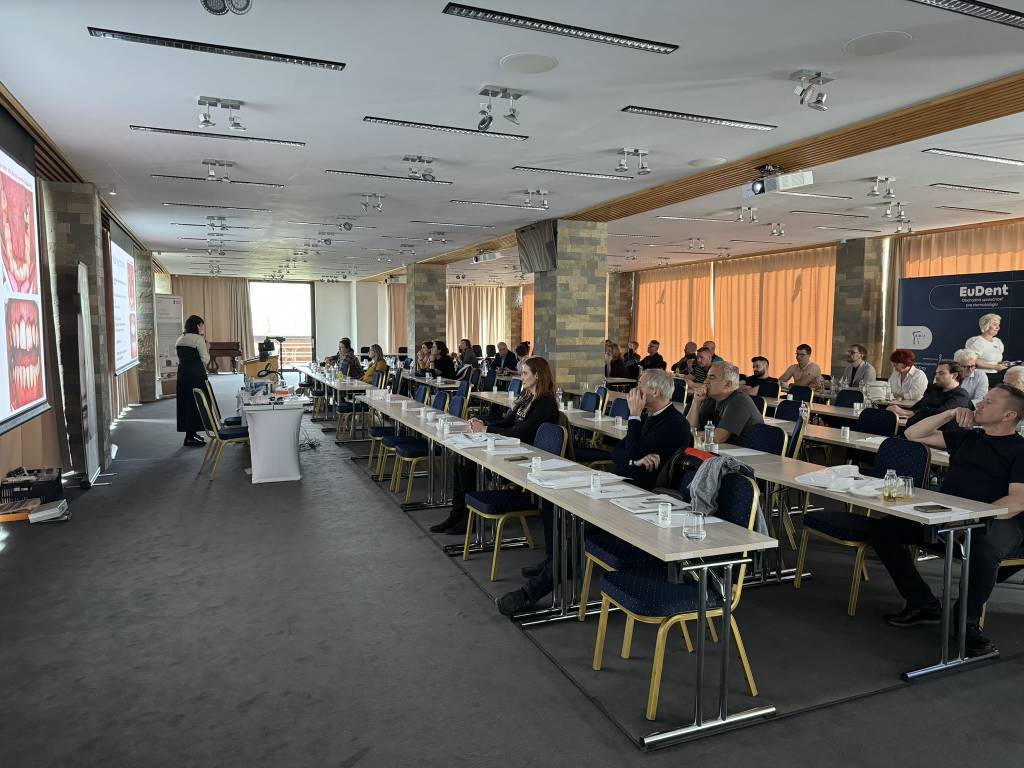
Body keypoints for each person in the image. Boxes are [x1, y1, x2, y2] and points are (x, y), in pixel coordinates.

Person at [871, 384, 1024, 656]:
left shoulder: (1019, 450)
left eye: (989, 402)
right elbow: (913, 433)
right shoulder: (968, 438)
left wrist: (969, 520)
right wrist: (950, 413)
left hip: (998, 520)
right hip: (950, 515)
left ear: (1009, 415)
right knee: (885, 529)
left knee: (982, 548)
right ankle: (922, 601)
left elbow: (1016, 502)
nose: (980, 404)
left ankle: (967, 622)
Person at [431, 356, 560, 536]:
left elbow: (521, 432)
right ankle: (456, 514)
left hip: (528, 456)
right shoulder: (526, 396)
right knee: (462, 458)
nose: (521, 377)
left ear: (537, 375)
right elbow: (507, 422)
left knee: (469, 462)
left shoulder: (545, 402)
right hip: (514, 446)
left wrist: (486, 429)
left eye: (525, 373)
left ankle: (468, 519)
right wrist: (482, 424)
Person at [611, 369, 692, 489]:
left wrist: (634, 415)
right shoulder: (646, 416)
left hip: (649, 489)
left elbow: (632, 452)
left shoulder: (675, 423)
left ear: (655, 392)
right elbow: (616, 451)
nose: (635, 390)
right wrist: (634, 462)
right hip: (627, 481)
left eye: (640, 385)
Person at [688, 361, 764, 446]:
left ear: (728, 384)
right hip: (721, 449)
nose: (705, 381)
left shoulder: (740, 400)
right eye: (707, 377)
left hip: (745, 452)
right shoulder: (710, 398)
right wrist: (696, 401)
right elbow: (690, 427)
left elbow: (719, 437)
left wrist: (687, 435)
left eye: (712, 377)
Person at [887, 360, 973, 427]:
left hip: (935, 436)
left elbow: (941, 413)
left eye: (941, 373)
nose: (937, 376)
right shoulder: (933, 388)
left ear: (954, 375)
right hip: (914, 428)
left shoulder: (961, 396)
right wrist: (897, 410)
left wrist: (906, 413)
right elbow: (917, 407)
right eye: (936, 373)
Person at [176, 315, 210, 447]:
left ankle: (190, 434)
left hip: (183, 376)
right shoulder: (198, 339)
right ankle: (190, 437)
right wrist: (207, 347)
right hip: (196, 376)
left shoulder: (180, 338)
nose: (202, 328)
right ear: (197, 326)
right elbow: (205, 359)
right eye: (201, 325)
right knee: (198, 404)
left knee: (186, 405)